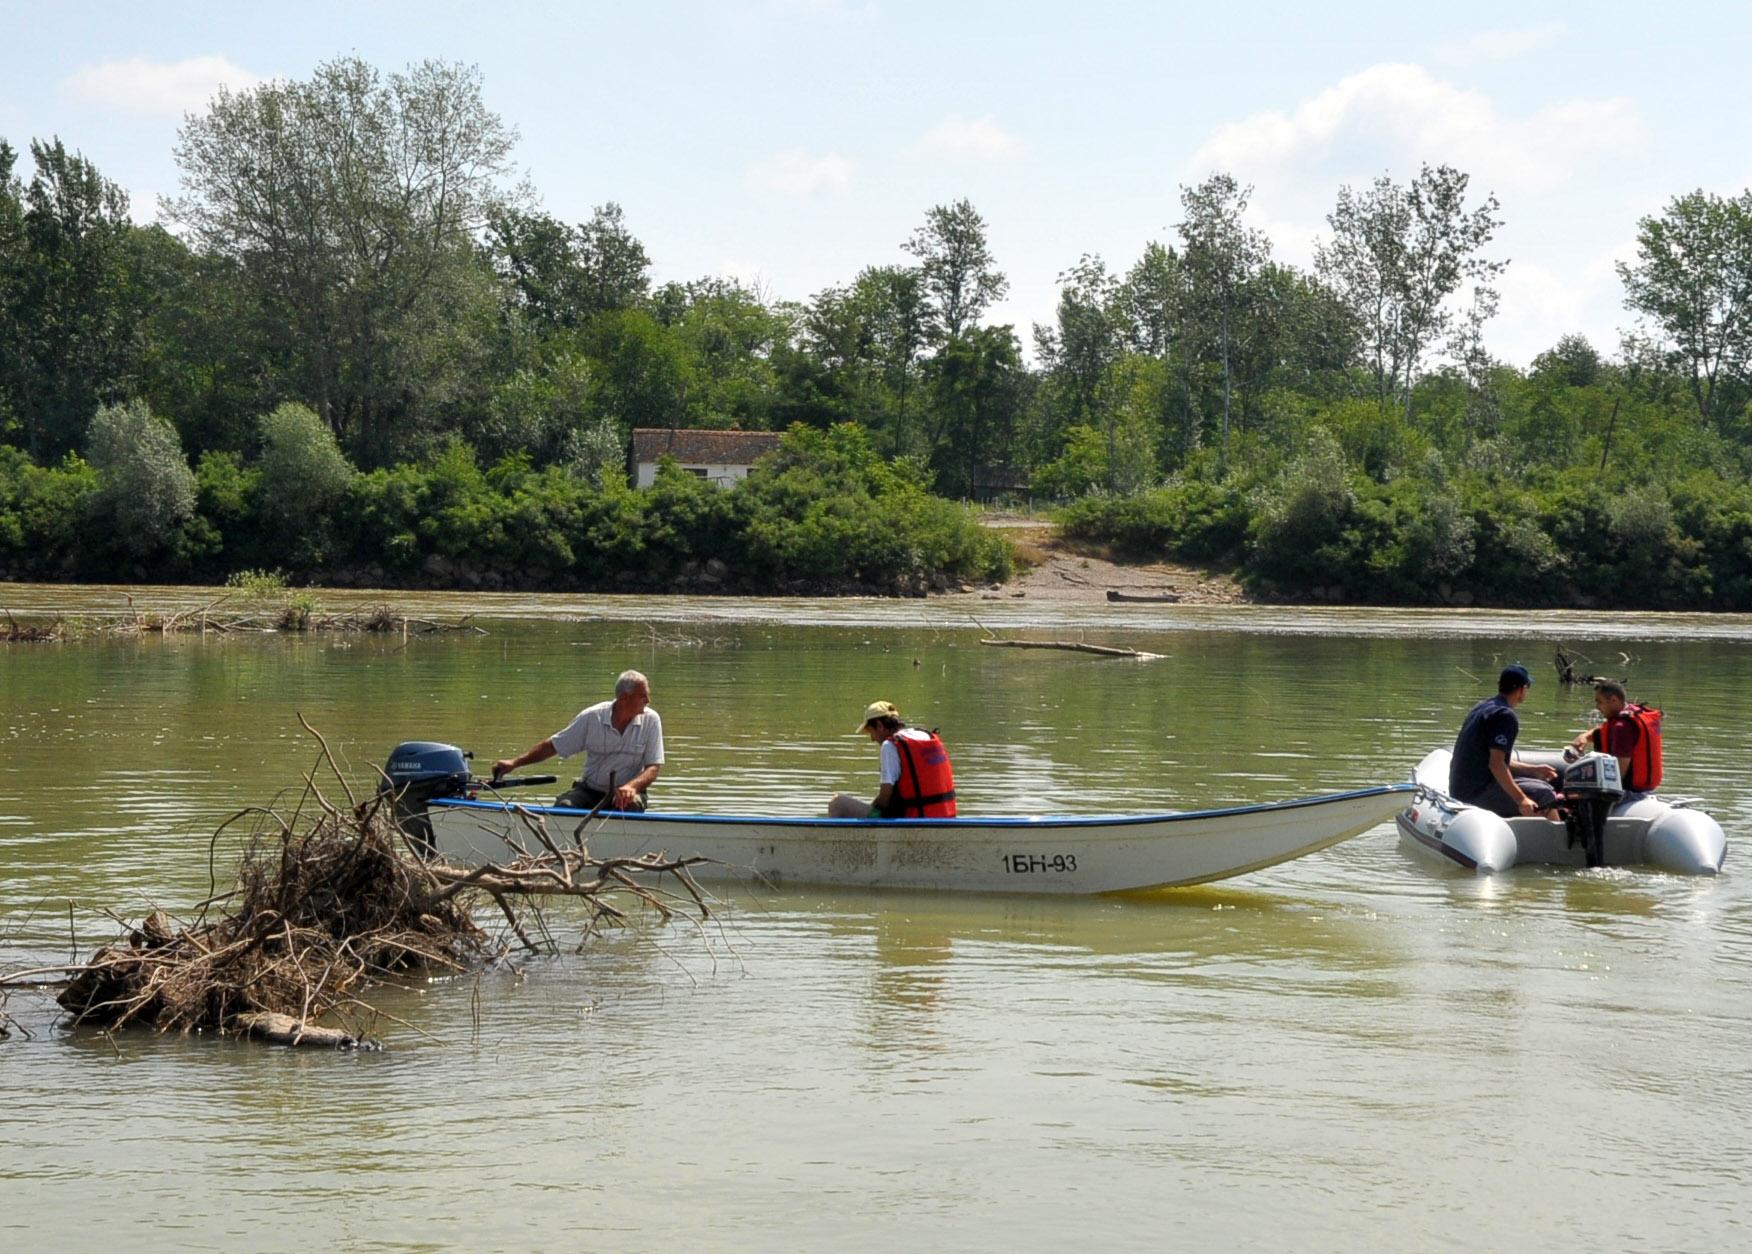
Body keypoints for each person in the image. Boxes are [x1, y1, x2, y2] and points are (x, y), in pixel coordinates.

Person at [492, 669, 663, 811]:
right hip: (590, 790)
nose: (648, 701)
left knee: (630, 808)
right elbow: (553, 746)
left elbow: (653, 768)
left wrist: (632, 787)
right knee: (564, 807)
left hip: (628, 793)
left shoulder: (652, 720)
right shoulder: (592, 717)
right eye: (643, 696)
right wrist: (514, 763)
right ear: (625, 698)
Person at [1449, 663, 1561, 819]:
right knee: (1544, 794)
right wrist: (1521, 799)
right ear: (1522, 689)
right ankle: (1557, 841)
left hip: (1460, 789)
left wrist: (1533, 770)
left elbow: (1493, 759)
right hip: (1475, 794)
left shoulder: (1482, 707)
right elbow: (1496, 764)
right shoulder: (1505, 716)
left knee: (1541, 784)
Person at [827, 700, 957, 819]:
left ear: (879, 725)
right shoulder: (926, 735)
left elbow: (884, 800)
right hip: (945, 819)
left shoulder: (890, 746)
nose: (872, 738)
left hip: (912, 822)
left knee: (837, 803)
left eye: (870, 731)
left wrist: (870, 811)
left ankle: (842, 844)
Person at [1567, 679, 1663, 794]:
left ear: (1613, 700)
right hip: (1647, 789)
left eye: (1599, 702)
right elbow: (1602, 732)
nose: (1597, 707)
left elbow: (1618, 776)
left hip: (1629, 793)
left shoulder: (1622, 727)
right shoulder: (1630, 716)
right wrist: (1585, 737)